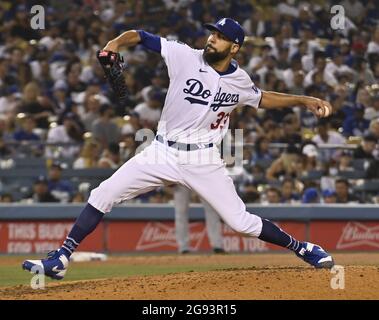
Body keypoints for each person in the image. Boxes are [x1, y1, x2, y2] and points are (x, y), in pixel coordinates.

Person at [23, 18, 334, 280]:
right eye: (213, 33)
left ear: (235, 47)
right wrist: (115, 44)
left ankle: (303, 248)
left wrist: (303, 100)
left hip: (203, 158)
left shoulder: (239, 79)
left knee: (241, 223)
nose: (213, 39)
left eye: (221, 38)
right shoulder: (184, 55)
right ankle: (61, 258)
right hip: (161, 151)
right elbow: (140, 36)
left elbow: (262, 97)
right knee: (102, 193)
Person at [174, 185, 224, 254]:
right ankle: (183, 247)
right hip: (182, 176)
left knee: (212, 209)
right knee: (181, 211)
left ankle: (217, 245)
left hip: (202, 175)